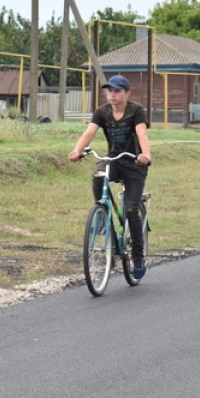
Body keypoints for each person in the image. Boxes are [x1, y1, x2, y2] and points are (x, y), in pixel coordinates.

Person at [69, 75, 153, 278]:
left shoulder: (136, 110)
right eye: (109, 91)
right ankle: (102, 213)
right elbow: (89, 132)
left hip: (134, 162)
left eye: (117, 90)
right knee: (99, 173)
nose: (112, 94)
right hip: (114, 158)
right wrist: (77, 151)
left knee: (131, 208)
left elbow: (142, 133)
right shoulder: (102, 112)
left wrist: (145, 154)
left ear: (127, 93)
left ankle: (138, 256)